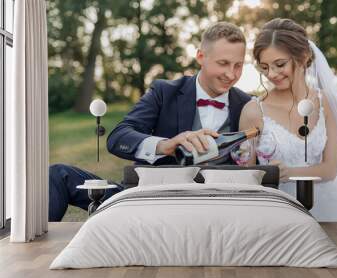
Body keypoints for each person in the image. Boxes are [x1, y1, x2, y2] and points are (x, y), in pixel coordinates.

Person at [49, 22, 251, 221]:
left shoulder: (247, 105)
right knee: (58, 174)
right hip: (146, 199)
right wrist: (165, 145)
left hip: (214, 208)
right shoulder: (165, 92)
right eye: (223, 63)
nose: (231, 74)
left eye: (238, 65)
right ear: (201, 56)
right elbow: (119, 137)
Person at [240, 18, 337, 221]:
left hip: (327, 196)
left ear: (304, 57)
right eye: (264, 67)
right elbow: (246, 176)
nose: (272, 74)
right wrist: (269, 174)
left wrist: (290, 172)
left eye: (279, 64)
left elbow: (330, 169)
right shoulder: (254, 111)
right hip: (276, 205)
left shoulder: (324, 102)